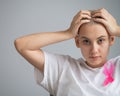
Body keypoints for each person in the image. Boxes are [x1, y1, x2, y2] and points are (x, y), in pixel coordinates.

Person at [14, 8, 120, 96]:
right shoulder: (63, 68)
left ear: (111, 40)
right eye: (86, 41)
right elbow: (21, 45)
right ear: (78, 42)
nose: (94, 50)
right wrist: (68, 33)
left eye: (100, 40)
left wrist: (116, 29)